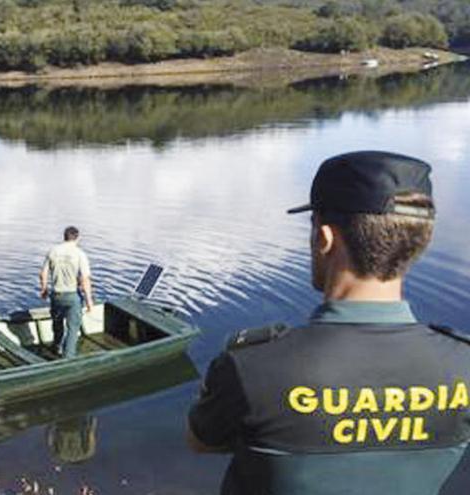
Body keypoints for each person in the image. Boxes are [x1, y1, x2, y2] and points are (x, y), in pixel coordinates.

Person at [187, 151, 470, 495]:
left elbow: (201, 441)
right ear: (418, 243)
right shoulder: (462, 364)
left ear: (325, 239)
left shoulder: (251, 365)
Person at [39, 226, 94, 358]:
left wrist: (44, 289)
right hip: (72, 296)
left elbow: (43, 273)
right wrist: (89, 301)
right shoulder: (80, 254)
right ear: (77, 238)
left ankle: (56, 347)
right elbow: (85, 279)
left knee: (57, 324)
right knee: (73, 329)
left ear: (64, 237)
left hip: (56, 295)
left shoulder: (53, 251)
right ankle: (68, 358)